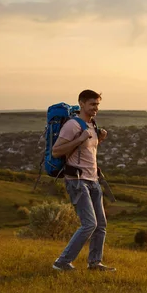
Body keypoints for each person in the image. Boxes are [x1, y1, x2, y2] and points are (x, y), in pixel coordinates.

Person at [51, 90, 115, 272]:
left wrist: (99, 139)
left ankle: (95, 263)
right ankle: (61, 262)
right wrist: (79, 139)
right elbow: (57, 151)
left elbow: (86, 152)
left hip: (93, 179)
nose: (96, 108)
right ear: (81, 104)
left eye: (97, 104)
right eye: (92, 104)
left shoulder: (92, 125)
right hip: (77, 181)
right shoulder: (72, 125)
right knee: (89, 224)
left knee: (101, 225)